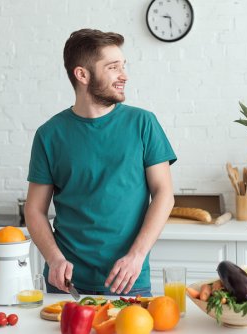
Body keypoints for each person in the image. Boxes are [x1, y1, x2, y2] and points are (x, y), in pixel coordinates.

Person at [25, 29, 176, 297]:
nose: (124, 75)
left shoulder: (143, 123)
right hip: (66, 284)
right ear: (82, 75)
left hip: (129, 278)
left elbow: (164, 194)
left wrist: (136, 256)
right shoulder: (49, 134)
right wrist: (54, 259)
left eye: (123, 66)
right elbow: (35, 209)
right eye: (113, 67)